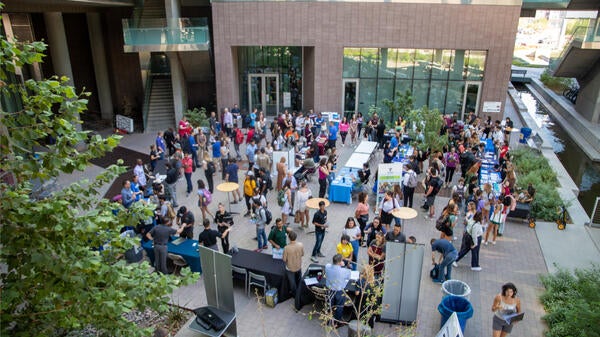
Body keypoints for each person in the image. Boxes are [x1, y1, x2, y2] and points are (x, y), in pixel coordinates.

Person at [325, 254, 351, 328]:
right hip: (339, 291)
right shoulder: (343, 271)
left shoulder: (327, 267)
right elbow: (349, 275)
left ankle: (327, 319)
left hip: (329, 290)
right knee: (339, 307)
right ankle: (337, 323)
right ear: (340, 262)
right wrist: (344, 266)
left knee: (329, 305)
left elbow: (328, 265)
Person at [353, 264, 378, 329]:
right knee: (369, 317)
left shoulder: (360, 281)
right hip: (371, 304)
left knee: (360, 316)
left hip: (362, 303)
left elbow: (357, 293)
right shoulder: (376, 282)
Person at [283, 231, 304, 296]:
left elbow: (284, 259)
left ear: (289, 238)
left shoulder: (286, 248)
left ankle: (295, 295)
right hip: (298, 266)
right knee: (299, 279)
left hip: (290, 268)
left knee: (292, 283)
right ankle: (300, 291)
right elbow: (303, 254)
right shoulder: (300, 245)